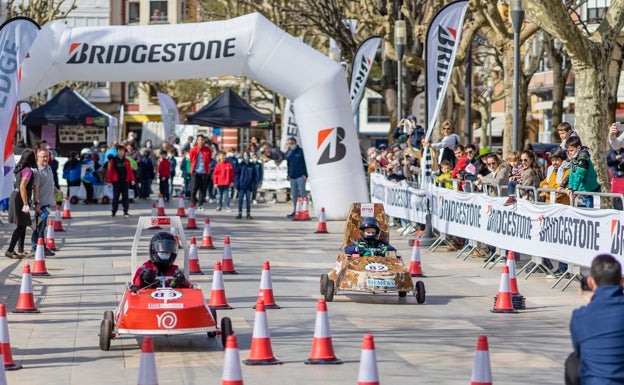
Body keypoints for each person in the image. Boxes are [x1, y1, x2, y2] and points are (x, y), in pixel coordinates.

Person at [565, 254, 624, 385]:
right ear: (622, 281)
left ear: (591, 282)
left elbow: (580, 351)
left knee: (573, 360)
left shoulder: (580, 316)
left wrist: (591, 305)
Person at [5, 149, 37, 259]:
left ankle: (21, 249)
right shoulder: (28, 170)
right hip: (20, 198)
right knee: (21, 225)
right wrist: (25, 204)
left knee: (23, 224)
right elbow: (23, 187)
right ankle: (10, 250)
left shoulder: (19, 168)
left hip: (15, 195)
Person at [31, 148, 62, 257]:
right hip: (41, 204)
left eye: (47, 156)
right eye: (43, 156)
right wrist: (36, 203)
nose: (45, 159)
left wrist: (56, 190)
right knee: (38, 227)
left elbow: (50, 182)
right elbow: (35, 188)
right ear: (37, 157)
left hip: (47, 203)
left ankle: (41, 246)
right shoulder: (37, 171)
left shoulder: (48, 167)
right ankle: (36, 247)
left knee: (42, 226)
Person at [565, 136, 600, 208]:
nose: (569, 153)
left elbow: (579, 175)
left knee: (590, 215)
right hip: (581, 192)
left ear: (578, 148)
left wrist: (574, 189)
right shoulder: (574, 158)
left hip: (591, 191)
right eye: (568, 151)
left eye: (571, 150)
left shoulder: (583, 158)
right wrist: (570, 188)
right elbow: (571, 174)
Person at [106, 144, 135, 217]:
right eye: (119, 151)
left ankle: (126, 211)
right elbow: (110, 171)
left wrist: (132, 179)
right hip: (116, 181)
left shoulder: (127, 161)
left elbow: (130, 171)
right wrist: (109, 181)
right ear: (117, 152)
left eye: (122, 151)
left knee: (125, 197)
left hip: (125, 181)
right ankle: (114, 211)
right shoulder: (113, 160)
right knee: (116, 197)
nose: (121, 152)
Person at [285, 136, 308, 218]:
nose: (290, 145)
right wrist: (288, 174)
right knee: (294, 195)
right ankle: (296, 211)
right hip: (292, 177)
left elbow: (306, 164)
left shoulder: (301, 152)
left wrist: (305, 175)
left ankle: (305, 211)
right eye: (289, 144)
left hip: (300, 176)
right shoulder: (288, 153)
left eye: (292, 143)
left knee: (303, 194)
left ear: (295, 143)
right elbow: (288, 165)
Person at [234, 150, 261, 219]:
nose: (245, 156)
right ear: (243, 156)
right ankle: (239, 213)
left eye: (247, 155)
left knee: (248, 200)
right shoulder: (240, 165)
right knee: (240, 200)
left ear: (249, 156)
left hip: (249, 186)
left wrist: (254, 185)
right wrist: (237, 184)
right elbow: (236, 175)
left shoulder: (252, 165)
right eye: (244, 155)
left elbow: (255, 176)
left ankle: (248, 213)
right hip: (241, 186)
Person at [189, 134, 213, 210]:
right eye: (199, 140)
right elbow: (191, 159)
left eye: (202, 140)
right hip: (195, 171)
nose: (200, 141)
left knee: (202, 189)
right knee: (194, 188)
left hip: (204, 172)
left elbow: (209, 160)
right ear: (197, 141)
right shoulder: (193, 149)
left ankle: (200, 205)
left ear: (204, 141)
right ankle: (192, 203)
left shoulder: (208, 150)